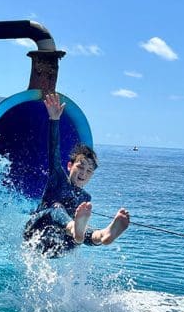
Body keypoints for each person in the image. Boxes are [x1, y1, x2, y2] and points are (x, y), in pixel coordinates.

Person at [23, 92, 130, 256]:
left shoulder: (85, 198)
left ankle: (102, 235)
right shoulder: (58, 177)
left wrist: (77, 229)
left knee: (82, 233)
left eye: (89, 171)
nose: (84, 173)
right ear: (69, 166)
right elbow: (54, 152)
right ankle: (79, 230)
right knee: (57, 209)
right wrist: (54, 119)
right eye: (80, 167)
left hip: (59, 247)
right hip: (35, 233)